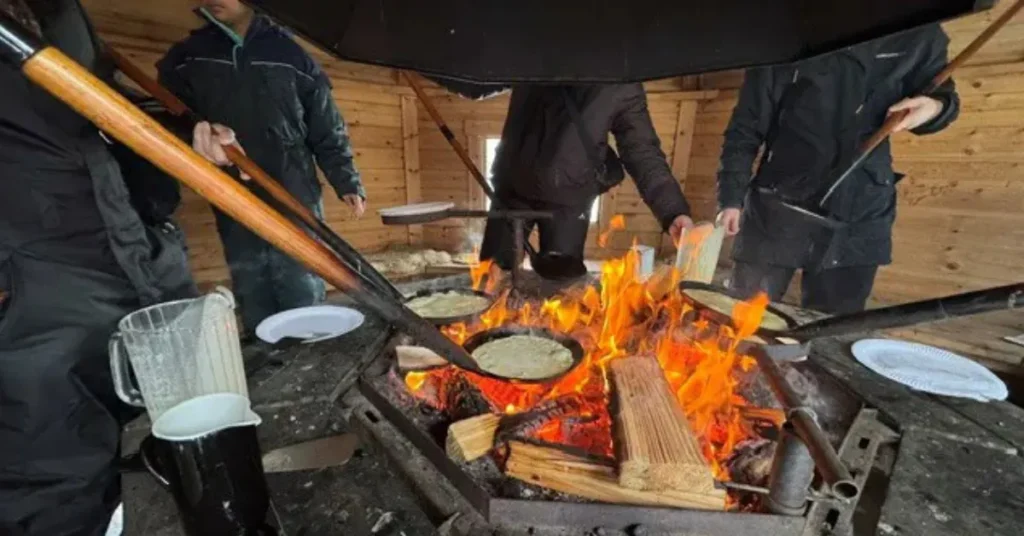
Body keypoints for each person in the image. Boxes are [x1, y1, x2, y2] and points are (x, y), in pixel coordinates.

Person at [0, 0, 207, 533]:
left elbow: (103, 117)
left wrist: (190, 138)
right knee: (58, 484)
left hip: (137, 260)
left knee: (183, 442)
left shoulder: (59, 9)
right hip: (33, 291)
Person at [716, 24, 960, 314]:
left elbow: (945, 100)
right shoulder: (778, 34)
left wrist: (933, 109)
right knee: (741, 318)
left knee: (829, 328)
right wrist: (730, 197)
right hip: (777, 202)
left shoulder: (917, 32)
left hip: (859, 209)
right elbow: (746, 127)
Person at [158, 0, 366, 333]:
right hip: (230, 186)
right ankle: (268, 351)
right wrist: (196, 134)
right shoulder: (187, 57)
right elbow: (166, 117)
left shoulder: (292, 56)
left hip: (292, 184)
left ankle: (310, 350)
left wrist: (347, 181)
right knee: (249, 274)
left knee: (300, 270)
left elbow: (326, 127)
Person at [480, 84, 694, 276]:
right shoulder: (530, 50)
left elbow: (642, 151)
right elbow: (478, 85)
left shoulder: (620, 79)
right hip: (511, 189)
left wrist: (672, 210)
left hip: (569, 201)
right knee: (491, 276)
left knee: (560, 286)